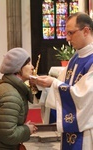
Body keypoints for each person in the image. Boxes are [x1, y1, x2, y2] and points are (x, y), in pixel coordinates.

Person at [30, 12, 93, 150]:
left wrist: (53, 83)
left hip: (87, 132)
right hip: (70, 133)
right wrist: (42, 88)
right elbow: (60, 87)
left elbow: (84, 97)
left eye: (71, 33)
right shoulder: (75, 58)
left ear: (86, 31)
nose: (67, 38)